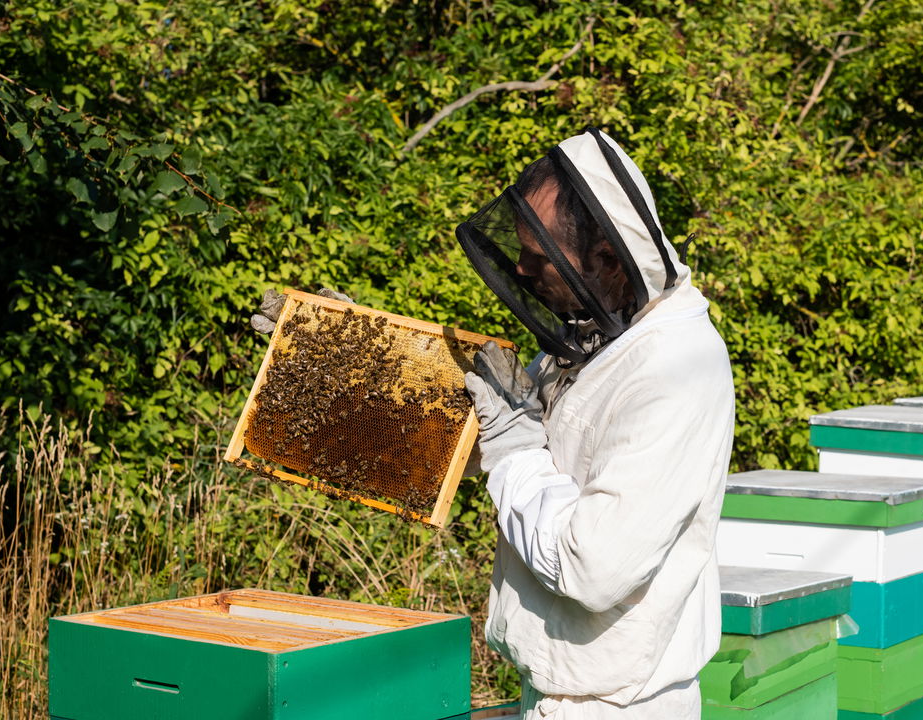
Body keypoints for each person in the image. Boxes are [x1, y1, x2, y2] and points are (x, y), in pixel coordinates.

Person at [253, 129, 734, 718]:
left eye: (542, 257)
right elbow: (486, 423)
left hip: (619, 705)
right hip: (559, 688)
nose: (525, 271)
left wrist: (512, 441)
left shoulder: (675, 369)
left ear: (607, 256)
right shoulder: (594, 330)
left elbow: (592, 567)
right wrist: (340, 359)